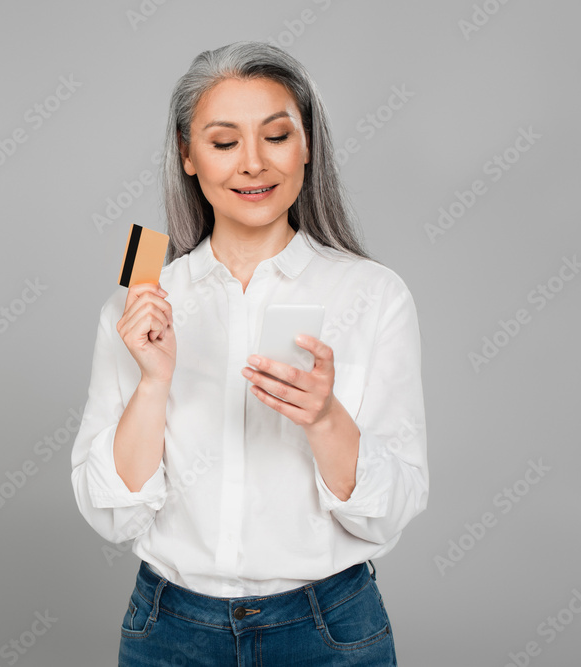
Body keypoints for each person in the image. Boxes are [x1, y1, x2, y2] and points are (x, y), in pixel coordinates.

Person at [70, 41, 428, 666]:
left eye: (277, 136)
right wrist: (153, 384)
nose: (254, 164)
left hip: (329, 631)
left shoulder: (374, 296)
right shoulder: (140, 307)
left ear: (307, 145)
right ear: (188, 154)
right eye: (224, 141)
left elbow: (393, 507)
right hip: (171, 631)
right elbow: (115, 515)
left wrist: (324, 419)